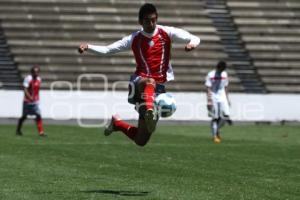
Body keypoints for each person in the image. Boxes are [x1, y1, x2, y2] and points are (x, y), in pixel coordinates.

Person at [78, 3, 200, 146]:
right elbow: (107, 50)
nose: (151, 23)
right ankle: (150, 110)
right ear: (140, 21)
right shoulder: (134, 38)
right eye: (147, 20)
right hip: (139, 82)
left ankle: (118, 124)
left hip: (158, 89)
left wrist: (192, 44)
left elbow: (195, 38)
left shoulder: (167, 32)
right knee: (149, 81)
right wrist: (88, 47)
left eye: (153, 19)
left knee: (141, 140)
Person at [205, 61, 232, 144]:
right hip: (213, 96)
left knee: (226, 116)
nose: (221, 72)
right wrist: (209, 100)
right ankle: (215, 136)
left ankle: (217, 129)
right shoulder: (210, 75)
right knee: (215, 117)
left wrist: (227, 99)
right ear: (217, 68)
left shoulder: (225, 74)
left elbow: (226, 87)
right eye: (220, 70)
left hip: (222, 96)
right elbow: (208, 88)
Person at [16, 65, 46, 136]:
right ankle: (18, 130)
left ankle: (41, 132)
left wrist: (36, 99)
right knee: (24, 116)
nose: (36, 73)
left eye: (37, 72)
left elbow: (37, 90)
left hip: (35, 102)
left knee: (38, 115)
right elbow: (25, 89)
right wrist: (29, 97)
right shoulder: (28, 78)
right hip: (27, 101)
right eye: (34, 72)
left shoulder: (39, 79)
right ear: (32, 72)